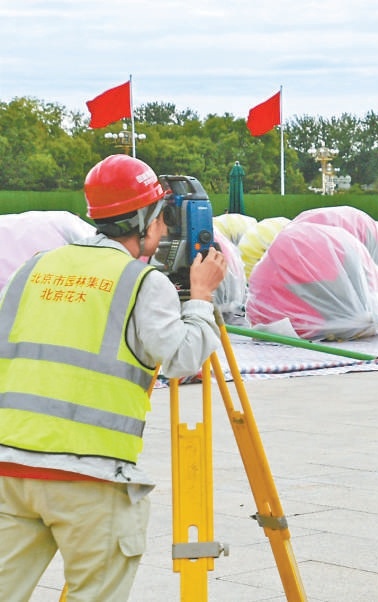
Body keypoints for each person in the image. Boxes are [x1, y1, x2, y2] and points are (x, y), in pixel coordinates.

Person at [0, 154, 227, 601]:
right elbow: (182, 360)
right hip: (91, 478)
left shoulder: (32, 269)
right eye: (162, 219)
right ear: (146, 220)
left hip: (10, 471)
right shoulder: (142, 282)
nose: (164, 231)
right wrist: (200, 299)